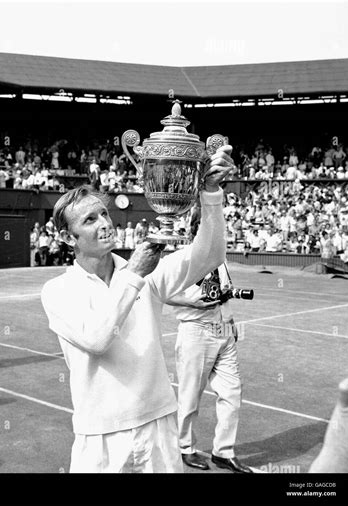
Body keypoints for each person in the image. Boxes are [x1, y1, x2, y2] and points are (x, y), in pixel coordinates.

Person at [41, 145, 234, 473]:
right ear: (67, 237)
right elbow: (98, 339)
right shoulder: (57, 291)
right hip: (99, 435)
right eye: (90, 220)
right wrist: (133, 275)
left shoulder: (146, 271)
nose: (104, 223)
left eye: (103, 213)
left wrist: (211, 194)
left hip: (158, 425)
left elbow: (210, 255)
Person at [166, 208, 252, 473]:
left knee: (232, 393)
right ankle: (185, 447)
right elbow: (160, 292)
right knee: (190, 395)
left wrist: (231, 320)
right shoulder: (181, 259)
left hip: (222, 329)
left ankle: (223, 452)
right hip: (195, 328)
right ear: (197, 228)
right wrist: (190, 300)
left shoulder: (220, 258)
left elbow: (224, 293)